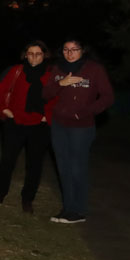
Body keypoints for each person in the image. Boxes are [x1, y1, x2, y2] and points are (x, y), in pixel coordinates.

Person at [44, 38, 114, 224]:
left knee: (77, 167)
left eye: (74, 49)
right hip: (59, 125)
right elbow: (46, 94)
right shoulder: (57, 68)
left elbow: (108, 97)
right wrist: (61, 83)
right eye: (66, 49)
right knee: (63, 167)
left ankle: (79, 210)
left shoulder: (94, 69)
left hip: (81, 127)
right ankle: (68, 208)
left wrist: (85, 112)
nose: (70, 53)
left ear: (82, 50)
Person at [0, 41, 54, 214]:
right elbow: (0, 90)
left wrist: (48, 116)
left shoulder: (51, 75)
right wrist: (4, 109)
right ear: (25, 55)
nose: (34, 57)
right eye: (30, 53)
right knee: (7, 160)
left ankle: (27, 199)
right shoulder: (16, 71)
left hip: (39, 126)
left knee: (34, 164)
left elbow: (57, 97)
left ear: (44, 55)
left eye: (38, 54)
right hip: (15, 123)